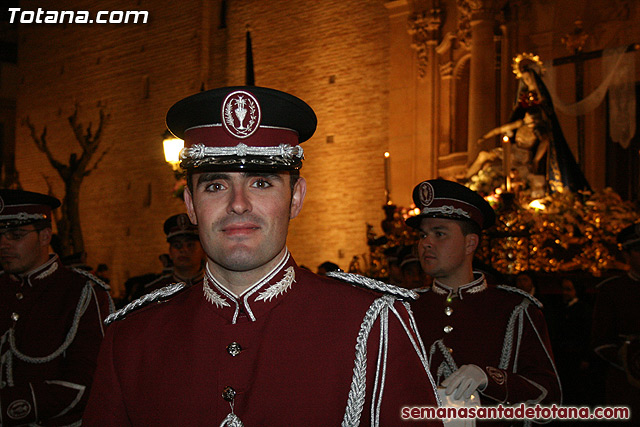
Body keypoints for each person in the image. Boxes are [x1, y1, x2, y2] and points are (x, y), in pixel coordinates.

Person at [83, 86, 441, 426]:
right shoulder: (131, 338)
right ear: (191, 205)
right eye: (216, 185)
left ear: (296, 198)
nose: (238, 204)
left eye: (261, 183)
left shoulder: (372, 324)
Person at [407, 179, 561, 422]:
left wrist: (490, 379)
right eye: (423, 234)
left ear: (470, 243)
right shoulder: (404, 309)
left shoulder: (514, 311)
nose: (426, 242)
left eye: (439, 233)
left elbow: (549, 399)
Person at [0, 189, 113, 426]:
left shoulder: (81, 291)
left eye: (15, 234)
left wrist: (10, 408)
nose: (3, 244)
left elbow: (88, 381)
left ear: (44, 236)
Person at [591, 223, 640, 424]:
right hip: (628, 385)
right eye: (638, 250)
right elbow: (600, 341)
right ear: (627, 255)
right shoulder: (612, 290)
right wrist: (630, 358)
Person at [140, 213, 205, 295]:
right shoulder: (154, 291)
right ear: (170, 252)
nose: (183, 250)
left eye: (190, 245)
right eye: (177, 245)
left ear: (203, 250)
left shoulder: (216, 287)